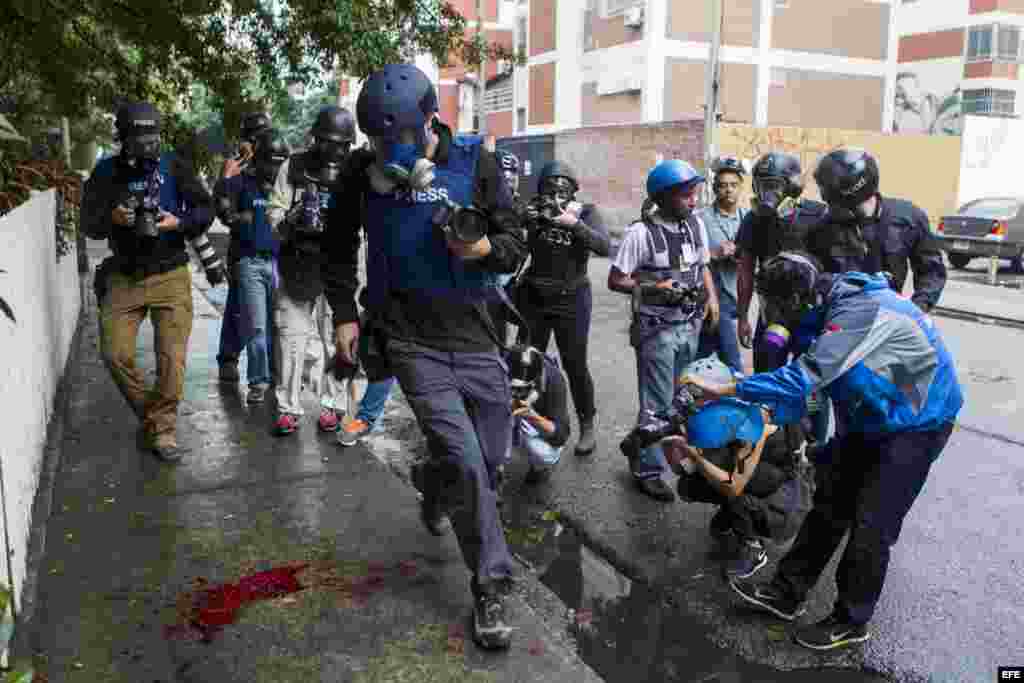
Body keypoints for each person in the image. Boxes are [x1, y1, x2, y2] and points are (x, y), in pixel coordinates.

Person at [334, 63, 527, 650]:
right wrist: (345, 311)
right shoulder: (360, 175)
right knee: (468, 459)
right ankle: (491, 588)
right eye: (378, 143)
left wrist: (486, 247)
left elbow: (515, 244)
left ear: (430, 123)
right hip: (410, 340)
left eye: (402, 140)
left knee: (490, 459)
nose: (391, 153)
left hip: (474, 337)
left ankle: (432, 481)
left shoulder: (477, 163)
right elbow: (338, 244)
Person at [683, 252, 962, 651]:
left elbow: (806, 377)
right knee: (830, 503)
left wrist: (730, 388)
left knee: (871, 524)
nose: (773, 314)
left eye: (777, 306)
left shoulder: (861, 311)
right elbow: (804, 396)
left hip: (919, 423)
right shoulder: (820, 311)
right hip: (874, 416)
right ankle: (787, 593)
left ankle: (851, 620)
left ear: (797, 299)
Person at [81, 101, 215, 461]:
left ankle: (165, 430)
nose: (148, 146)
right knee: (114, 354)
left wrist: (179, 222)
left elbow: (205, 209)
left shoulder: (175, 166)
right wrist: (113, 218)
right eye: (139, 139)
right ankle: (156, 419)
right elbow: (89, 225)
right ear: (123, 138)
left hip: (170, 273)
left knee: (172, 360)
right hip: (124, 276)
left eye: (153, 137)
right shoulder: (106, 172)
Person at [608, 159, 719, 502]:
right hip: (657, 330)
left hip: (690, 325)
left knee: (682, 398)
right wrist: (654, 288)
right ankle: (647, 468)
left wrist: (712, 300)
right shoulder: (639, 234)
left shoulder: (694, 226)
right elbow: (616, 279)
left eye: (694, 194)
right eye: (687, 195)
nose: (693, 201)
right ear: (665, 197)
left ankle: (656, 446)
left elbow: (702, 268)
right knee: (656, 403)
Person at [660, 356, 814, 579]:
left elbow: (733, 485)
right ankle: (731, 517)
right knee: (689, 485)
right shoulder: (720, 410)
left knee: (726, 481)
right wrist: (670, 446)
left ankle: (753, 547)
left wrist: (694, 455)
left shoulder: (755, 420)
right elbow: (682, 471)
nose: (691, 403)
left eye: (696, 396)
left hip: (784, 491)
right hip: (752, 468)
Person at [267, 106, 358, 435]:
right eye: (330, 143)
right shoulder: (293, 166)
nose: (336, 151)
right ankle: (288, 408)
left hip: (339, 269)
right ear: (316, 139)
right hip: (297, 264)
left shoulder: (353, 171)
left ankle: (333, 405)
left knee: (339, 342)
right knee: (292, 341)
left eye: (343, 145)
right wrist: (292, 218)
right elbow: (274, 213)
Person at [516, 160, 609, 456]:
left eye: (563, 190)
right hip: (535, 296)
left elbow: (604, 246)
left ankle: (587, 424)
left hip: (572, 297)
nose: (556, 198)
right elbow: (511, 244)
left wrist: (575, 225)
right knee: (527, 362)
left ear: (573, 192)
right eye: (549, 190)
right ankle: (532, 426)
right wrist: (522, 220)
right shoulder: (532, 211)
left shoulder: (585, 212)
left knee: (575, 364)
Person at [806, 147, 946, 314]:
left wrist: (916, 310)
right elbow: (812, 275)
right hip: (840, 318)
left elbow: (931, 271)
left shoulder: (908, 219)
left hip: (889, 319)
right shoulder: (823, 227)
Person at [213, 128, 290, 404]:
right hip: (250, 263)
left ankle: (278, 376)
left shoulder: (286, 185)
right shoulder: (243, 182)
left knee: (280, 327)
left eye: (281, 162)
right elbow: (221, 203)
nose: (276, 168)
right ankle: (258, 381)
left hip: (280, 263)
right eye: (272, 161)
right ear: (260, 159)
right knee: (256, 326)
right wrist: (226, 176)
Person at [735, 152, 827, 372]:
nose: (768, 193)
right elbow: (745, 272)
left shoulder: (819, 215)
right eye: (763, 185)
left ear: (792, 186)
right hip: (771, 315)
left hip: (811, 315)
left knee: (810, 386)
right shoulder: (754, 220)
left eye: (774, 185)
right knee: (767, 378)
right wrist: (743, 318)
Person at [218, 111, 274, 383]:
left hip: (272, 253)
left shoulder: (275, 168)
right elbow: (222, 211)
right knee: (238, 309)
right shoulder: (236, 171)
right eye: (253, 140)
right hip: (243, 253)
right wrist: (227, 179)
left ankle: (272, 369)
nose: (256, 145)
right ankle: (228, 358)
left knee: (271, 316)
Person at [696, 156, 749, 373]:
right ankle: (741, 400)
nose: (728, 190)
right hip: (714, 296)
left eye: (733, 185)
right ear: (715, 188)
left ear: (740, 187)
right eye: (723, 185)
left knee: (702, 353)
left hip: (738, 293)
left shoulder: (748, 217)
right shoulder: (701, 218)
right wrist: (714, 253)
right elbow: (692, 257)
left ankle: (685, 397)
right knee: (733, 361)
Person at [503, 345, 571, 484]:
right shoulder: (495, 370)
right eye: (512, 388)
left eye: (521, 390)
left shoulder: (554, 380)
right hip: (503, 414)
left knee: (545, 454)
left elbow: (561, 436)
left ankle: (539, 467)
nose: (516, 394)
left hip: (531, 420)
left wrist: (531, 415)